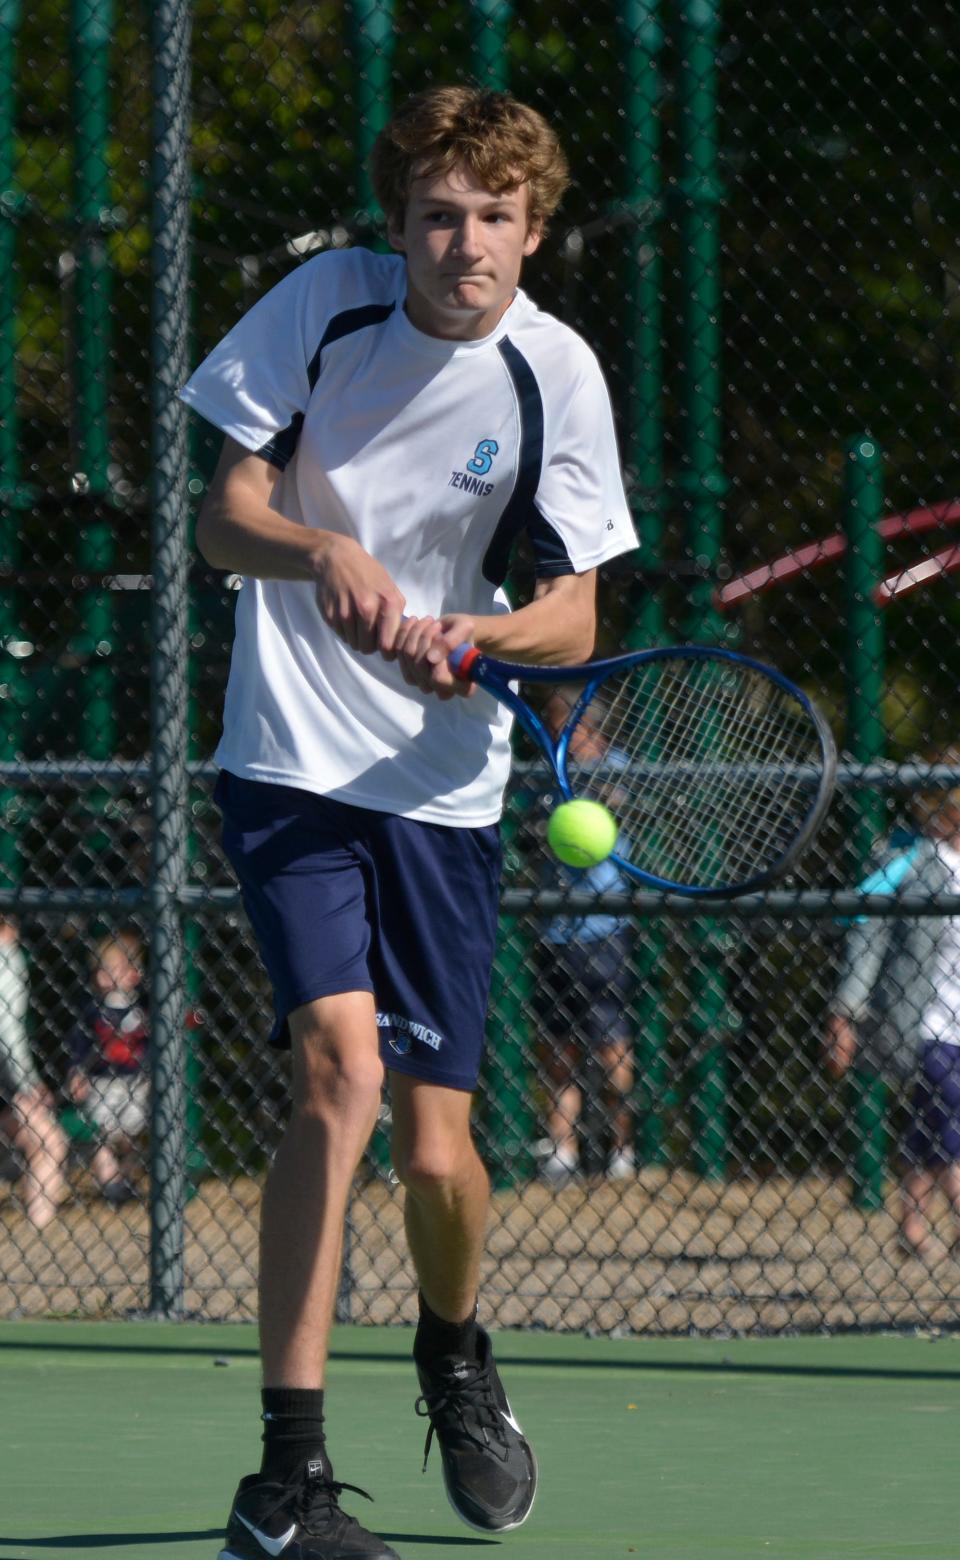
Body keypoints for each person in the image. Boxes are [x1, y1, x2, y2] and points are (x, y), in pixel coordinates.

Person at [182, 84, 637, 1560]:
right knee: (340, 1077)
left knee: (440, 1160)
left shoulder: (556, 373)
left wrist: (474, 636)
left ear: (533, 229)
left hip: (446, 791)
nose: (465, 246)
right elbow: (219, 515)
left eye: (493, 219)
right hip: (291, 760)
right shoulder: (323, 307)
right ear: (399, 226)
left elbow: (573, 615)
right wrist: (324, 551)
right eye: (438, 217)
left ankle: (453, 1349)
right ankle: (286, 1482)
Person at [824, 753, 960, 1257]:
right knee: (952, 1110)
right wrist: (846, 1011)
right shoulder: (909, 860)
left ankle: (911, 1227)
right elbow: (868, 936)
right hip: (925, 1020)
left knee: (931, 1123)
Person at [532, 691, 635, 1182]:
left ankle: (621, 1150)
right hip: (557, 931)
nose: (562, 736)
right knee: (558, 1047)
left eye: (571, 726)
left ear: (594, 729)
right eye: (556, 726)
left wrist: (595, 788)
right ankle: (562, 1152)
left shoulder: (616, 768)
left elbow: (620, 799)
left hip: (603, 930)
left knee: (611, 1046)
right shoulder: (543, 771)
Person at [65, 931, 149, 1206]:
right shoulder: (92, 1009)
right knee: (103, 1135)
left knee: (130, 1135)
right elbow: (78, 1044)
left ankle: (124, 1181)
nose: (107, 977)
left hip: (134, 1081)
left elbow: (149, 1047)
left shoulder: (141, 1009)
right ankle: (111, 1188)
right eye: (103, 970)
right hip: (102, 1082)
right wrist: (77, 1072)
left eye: (116, 970)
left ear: (134, 973)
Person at [0, 917, 68, 1229]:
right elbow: (7, 1030)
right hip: (5, 1069)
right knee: (49, 1142)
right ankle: (38, 1224)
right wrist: (27, 1082)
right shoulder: (8, 957)